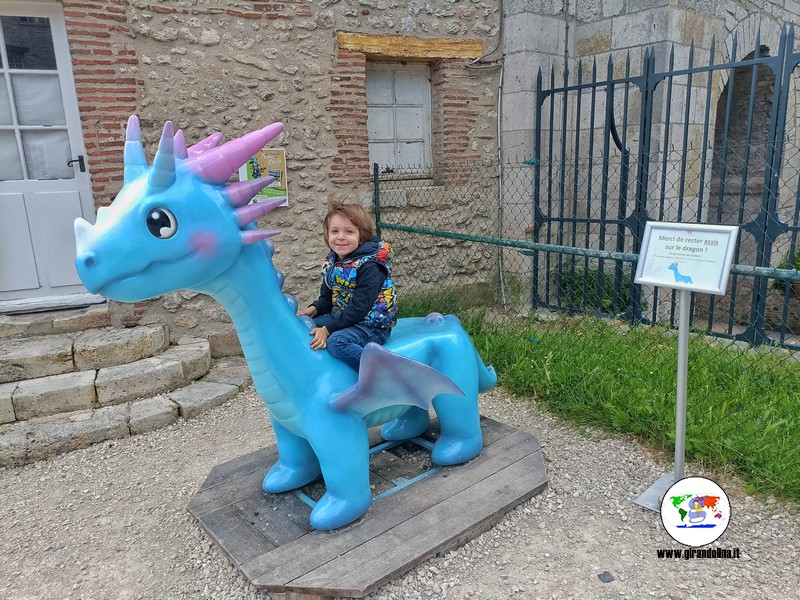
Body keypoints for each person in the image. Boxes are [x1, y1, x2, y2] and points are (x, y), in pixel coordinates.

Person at [298, 201, 397, 371]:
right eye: (335, 231)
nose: (341, 237)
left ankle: (381, 373)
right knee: (305, 325)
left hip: (372, 325)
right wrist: (314, 309)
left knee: (337, 342)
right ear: (327, 234)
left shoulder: (370, 265)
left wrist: (328, 329)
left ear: (362, 235)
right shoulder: (333, 261)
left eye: (349, 232)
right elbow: (327, 298)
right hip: (344, 316)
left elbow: (360, 307)